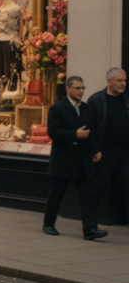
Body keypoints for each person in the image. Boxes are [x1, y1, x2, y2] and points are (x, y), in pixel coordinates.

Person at [43, 75, 107, 240]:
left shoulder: (86, 108)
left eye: (82, 88)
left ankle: (90, 229)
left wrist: (96, 150)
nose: (80, 91)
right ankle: (48, 223)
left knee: (88, 196)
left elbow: (90, 132)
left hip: (83, 160)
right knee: (56, 194)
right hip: (64, 160)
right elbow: (53, 132)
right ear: (68, 89)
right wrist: (74, 134)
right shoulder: (57, 108)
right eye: (77, 88)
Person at [88, 68, 129, 226]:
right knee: (98, 188)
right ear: (109, 81)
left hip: (125, 152)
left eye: (124, 80)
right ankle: (90, 224)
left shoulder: (126, 100)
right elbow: (90, 128)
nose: (123, 83)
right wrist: (95, 150)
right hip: (105, 152)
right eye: (119, 80)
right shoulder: (96, 100)